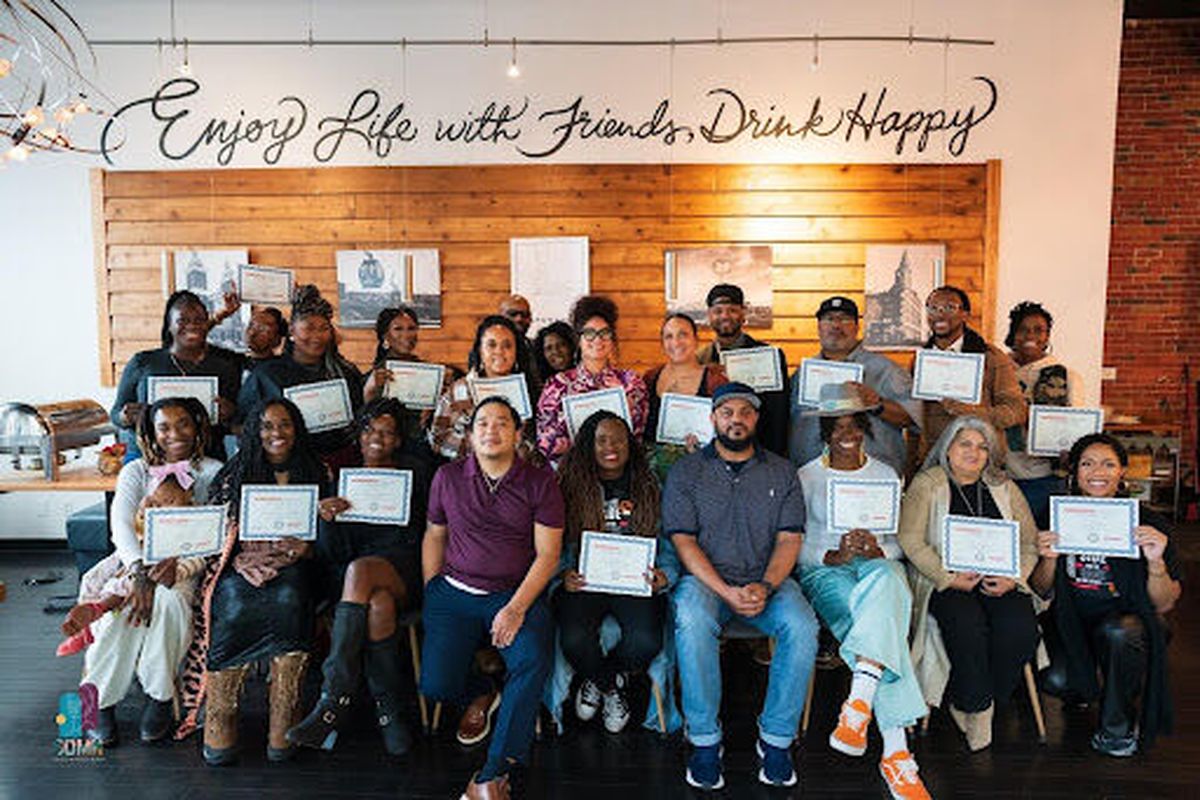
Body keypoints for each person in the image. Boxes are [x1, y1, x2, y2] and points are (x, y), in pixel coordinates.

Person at [664, 382, 818, 789]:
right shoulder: (687, 471)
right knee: (692, 617)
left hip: (767, 580)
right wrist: (726, 591)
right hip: (707, 582)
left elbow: (789, 539)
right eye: (727, 412)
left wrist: (765, 586)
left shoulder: (781, 470)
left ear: (756, 419)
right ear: (713, 418)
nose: (737, 419)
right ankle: (703, 738)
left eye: (745, 412)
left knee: (802, 626)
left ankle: (777, 737)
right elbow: (684, 540)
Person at [420, 397, 564, 800]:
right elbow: (435, 534)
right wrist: (433, 590)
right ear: (470, 434)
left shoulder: (540, 481)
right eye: (483, 423)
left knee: (532, 658)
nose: (491, 430)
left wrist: (515, 608)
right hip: (455, 592)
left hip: (515, 593)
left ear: (518, 435)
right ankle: (481, 690)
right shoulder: (447, 477)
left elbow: (549, 554)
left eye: (502, 423)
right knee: (435, 684)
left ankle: (494, 773)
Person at [794, 392, 930, 800]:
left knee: (889, 578)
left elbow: (899, 545)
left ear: (866, 430)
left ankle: (858, 706)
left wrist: (878, 551)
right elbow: (795, 544)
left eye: (854, 425)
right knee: (883, 625)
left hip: (875, 565)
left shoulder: (885, 475)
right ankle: (896, 752)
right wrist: (831, 554)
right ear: (824, 433)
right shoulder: (805, 477)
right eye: (837, 427)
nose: (846, 434)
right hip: (826, 570)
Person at [288, 398, 432, 756]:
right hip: (355, 584)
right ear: (359, 434)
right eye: (370, 429)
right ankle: (389, 711)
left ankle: (334, 698)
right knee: (377, 604)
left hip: (405, 571)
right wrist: (326, 521)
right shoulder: (340, 480)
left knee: (362, 572)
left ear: (398, 440)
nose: (377, 438)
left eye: (387, 432)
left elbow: (422, 537)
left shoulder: (416, 474)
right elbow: (332, 555)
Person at [77, 398, 223, 747]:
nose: (176, 434)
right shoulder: (136, 471)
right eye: (165, 427)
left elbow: (216, 535)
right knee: (118, 613)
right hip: (133, 563)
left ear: (198, 426)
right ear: (152, 434)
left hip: (187, 567)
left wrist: (179, 567)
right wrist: (140, 573)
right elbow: (121, 529)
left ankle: (159, 696)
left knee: (172, 604)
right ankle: (97, 702)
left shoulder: (216, 471)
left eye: (184, 423)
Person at [1029, 433, 1182, 757]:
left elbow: (1165, 603)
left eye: (1108, 464)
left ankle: (1117, 728)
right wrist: (1049, 558)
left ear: (1123, 471)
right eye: (1087, 463)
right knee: (1055, 681)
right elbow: (1041, 589)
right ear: (1074, 471)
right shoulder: (1054, 516)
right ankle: (1098, 681)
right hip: (1071, 623)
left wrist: (1155, 562)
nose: (1097, 472)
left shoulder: (1149, 523)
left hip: (1127, 624)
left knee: (1119, 634)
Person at [196, 399, 328, 766]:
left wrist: (308, 545)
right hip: (241, 565)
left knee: (289, 597)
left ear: (297, 430)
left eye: (285, 425)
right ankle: (221, 717)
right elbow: (216, 529)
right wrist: (240, 548)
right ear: (254, 431)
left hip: (298, 566)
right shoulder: (234, 472)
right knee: (235, 602)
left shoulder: (315, 471)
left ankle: (283, 722)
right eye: (267, 426)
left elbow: (328, 535)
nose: (276, 434)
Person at [898, 416, 1039, 752]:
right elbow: (910, 538)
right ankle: (976, 707)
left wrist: (1014, 577)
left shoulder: (1004, 487)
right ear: (948, 449)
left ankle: (978, 700)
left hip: (999, 580)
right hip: (946, 581)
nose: (974, 452)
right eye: (965, 444)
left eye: (982, 446)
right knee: (966, 623)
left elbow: (1029, 542)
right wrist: (947, 576)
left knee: (1021, 629)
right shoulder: (928, 483)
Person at [555, 411, 670, 734]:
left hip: (634, 580)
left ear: (630, 444)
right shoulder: (569, 486)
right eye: (601, 440)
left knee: (646, 640)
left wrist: (665, 573)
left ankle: (601, 676)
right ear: (587, 446)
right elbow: (554, 539)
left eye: (618, 439)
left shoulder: (649, 484)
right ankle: (610, 687)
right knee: (575, 639)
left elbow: (667, 538)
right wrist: (563, 573)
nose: (611, 447)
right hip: (584, 581)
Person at [59, 473, 198, 658]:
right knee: (91, 578)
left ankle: (101, 607)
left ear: (189, 503)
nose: (160, 507)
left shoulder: (190, 524)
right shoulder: (147, 516)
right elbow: (129, 537)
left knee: (123, 585)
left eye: (169, 501)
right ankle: (87, 629)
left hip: (157, 563)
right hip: (133, 555)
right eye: (156, 502)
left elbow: (193, 556)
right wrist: (146, 508)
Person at [789, 296, 920, 476]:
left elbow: (914, 419)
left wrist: (878, 404)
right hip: (811, 481)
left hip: (871, 482)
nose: (836, 325)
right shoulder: (801, 375)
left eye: (844, 319)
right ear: (819, 327)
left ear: (857, 326)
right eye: (829, 319)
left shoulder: (887, 370)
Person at [238, 285, 365, 466]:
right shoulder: (267, 375)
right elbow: (242, 425)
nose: (317, 336)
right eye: (309, 328)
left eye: (324, 328)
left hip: (340, 464)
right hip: (287, 466)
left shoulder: (344, 372)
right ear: (291, 331)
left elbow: (360, 419)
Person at [110, 290, 242, 461]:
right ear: (169, 326)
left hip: (206, 458)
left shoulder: (225, 364)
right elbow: (115, 414)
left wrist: (230, 414)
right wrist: (124, 416)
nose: (192, 325)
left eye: (199, 320)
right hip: (149, 459)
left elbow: (235, 422)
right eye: (182, 320)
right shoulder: (143, 363)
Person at [536, 295, 649, 467]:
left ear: (612, 339)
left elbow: (637, 438)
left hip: (621, 474)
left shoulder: (631, 383)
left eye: (605, 333)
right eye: (589, 333)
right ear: (578, 340)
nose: (598, 340)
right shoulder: (557, 385)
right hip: (573, 477)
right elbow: (546, 444)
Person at [919, 285, 1026, 461]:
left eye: (949, 308)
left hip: (980, 461)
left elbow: (1017, 411)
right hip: (933, 461)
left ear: (965, 314)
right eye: (933, 308)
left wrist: (974, 413)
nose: (940, 314)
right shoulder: (920, 360)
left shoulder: (992, 357)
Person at [696, 284, 790, 458]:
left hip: (760, 454)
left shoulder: (768, 356)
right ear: (709, 315)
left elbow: (779, 413)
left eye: (732, 310)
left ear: (743, 312)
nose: (725, 316)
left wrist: (772, 457)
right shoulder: (699, 359)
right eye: (718, 311)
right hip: (712, 458)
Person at [430, 314, 539, 462]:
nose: (499, 351)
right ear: (480, 350)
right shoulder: (459, 390)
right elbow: (438, 438)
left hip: (517, 476)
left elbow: (537, 439)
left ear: (516, 352)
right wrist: (482, 447)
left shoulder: (529, 390)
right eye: (491, 345)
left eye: (507, 345)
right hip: (468, 476)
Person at [1004, 301, 1073, 529]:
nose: (1030, 335)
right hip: (998, 473)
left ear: (1047, 336)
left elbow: (1074, 425)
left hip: (1042, 477)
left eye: (1039, 330)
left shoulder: (1065, 376)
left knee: (1038, 539)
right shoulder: (996, 369)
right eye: (1023, 329)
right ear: (1013, 333)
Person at [642, 313, 728, 481]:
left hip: (700, 474)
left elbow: (727, 429)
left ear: (696, 339)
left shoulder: (715, 380)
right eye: (669, 336)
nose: (676, 342)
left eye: (683, 334)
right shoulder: (650, 378)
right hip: (651, 478)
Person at [363, 306, 434, 453]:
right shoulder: (376, 377)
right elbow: (366, 420)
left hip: (421, 448)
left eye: (411, 328)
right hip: (386, 450)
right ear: (386, 336)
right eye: (398, 329)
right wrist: (369, 391)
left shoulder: (429, 371)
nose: (407, 334)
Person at [533, 320, 577, 385]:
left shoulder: (588, 379)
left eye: (561, 345)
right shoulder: (541, 386)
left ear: (571, 346)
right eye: (549, 348)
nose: (556, 351)